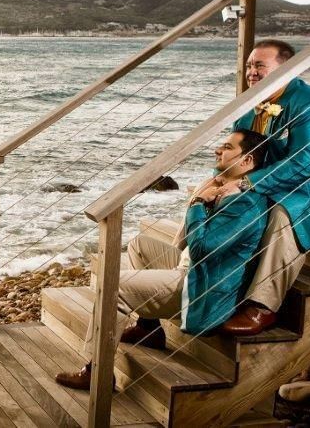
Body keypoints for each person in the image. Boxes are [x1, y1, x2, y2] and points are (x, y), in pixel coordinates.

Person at [55, 129, 269, 390]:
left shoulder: (246, 204)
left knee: (114, 286)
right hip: (196, 269)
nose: (218, 150)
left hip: (204, 286)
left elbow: (201, 248)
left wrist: (197, 203)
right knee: (140, 246)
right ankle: (149, 328)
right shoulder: (224, 189)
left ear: (247, 160)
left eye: (227, 147)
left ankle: (96, 372)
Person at [220, 40, 310, 336]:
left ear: (286, 68)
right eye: (249, 65)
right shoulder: (249, 106)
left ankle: (263, 305)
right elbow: (234, 154)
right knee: (208, 199)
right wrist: (218, 183)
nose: (251, 72)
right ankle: (186, 281)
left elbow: (304, 163)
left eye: (260, 65)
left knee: (283, 214)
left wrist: (246, 183)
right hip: (277, 184)